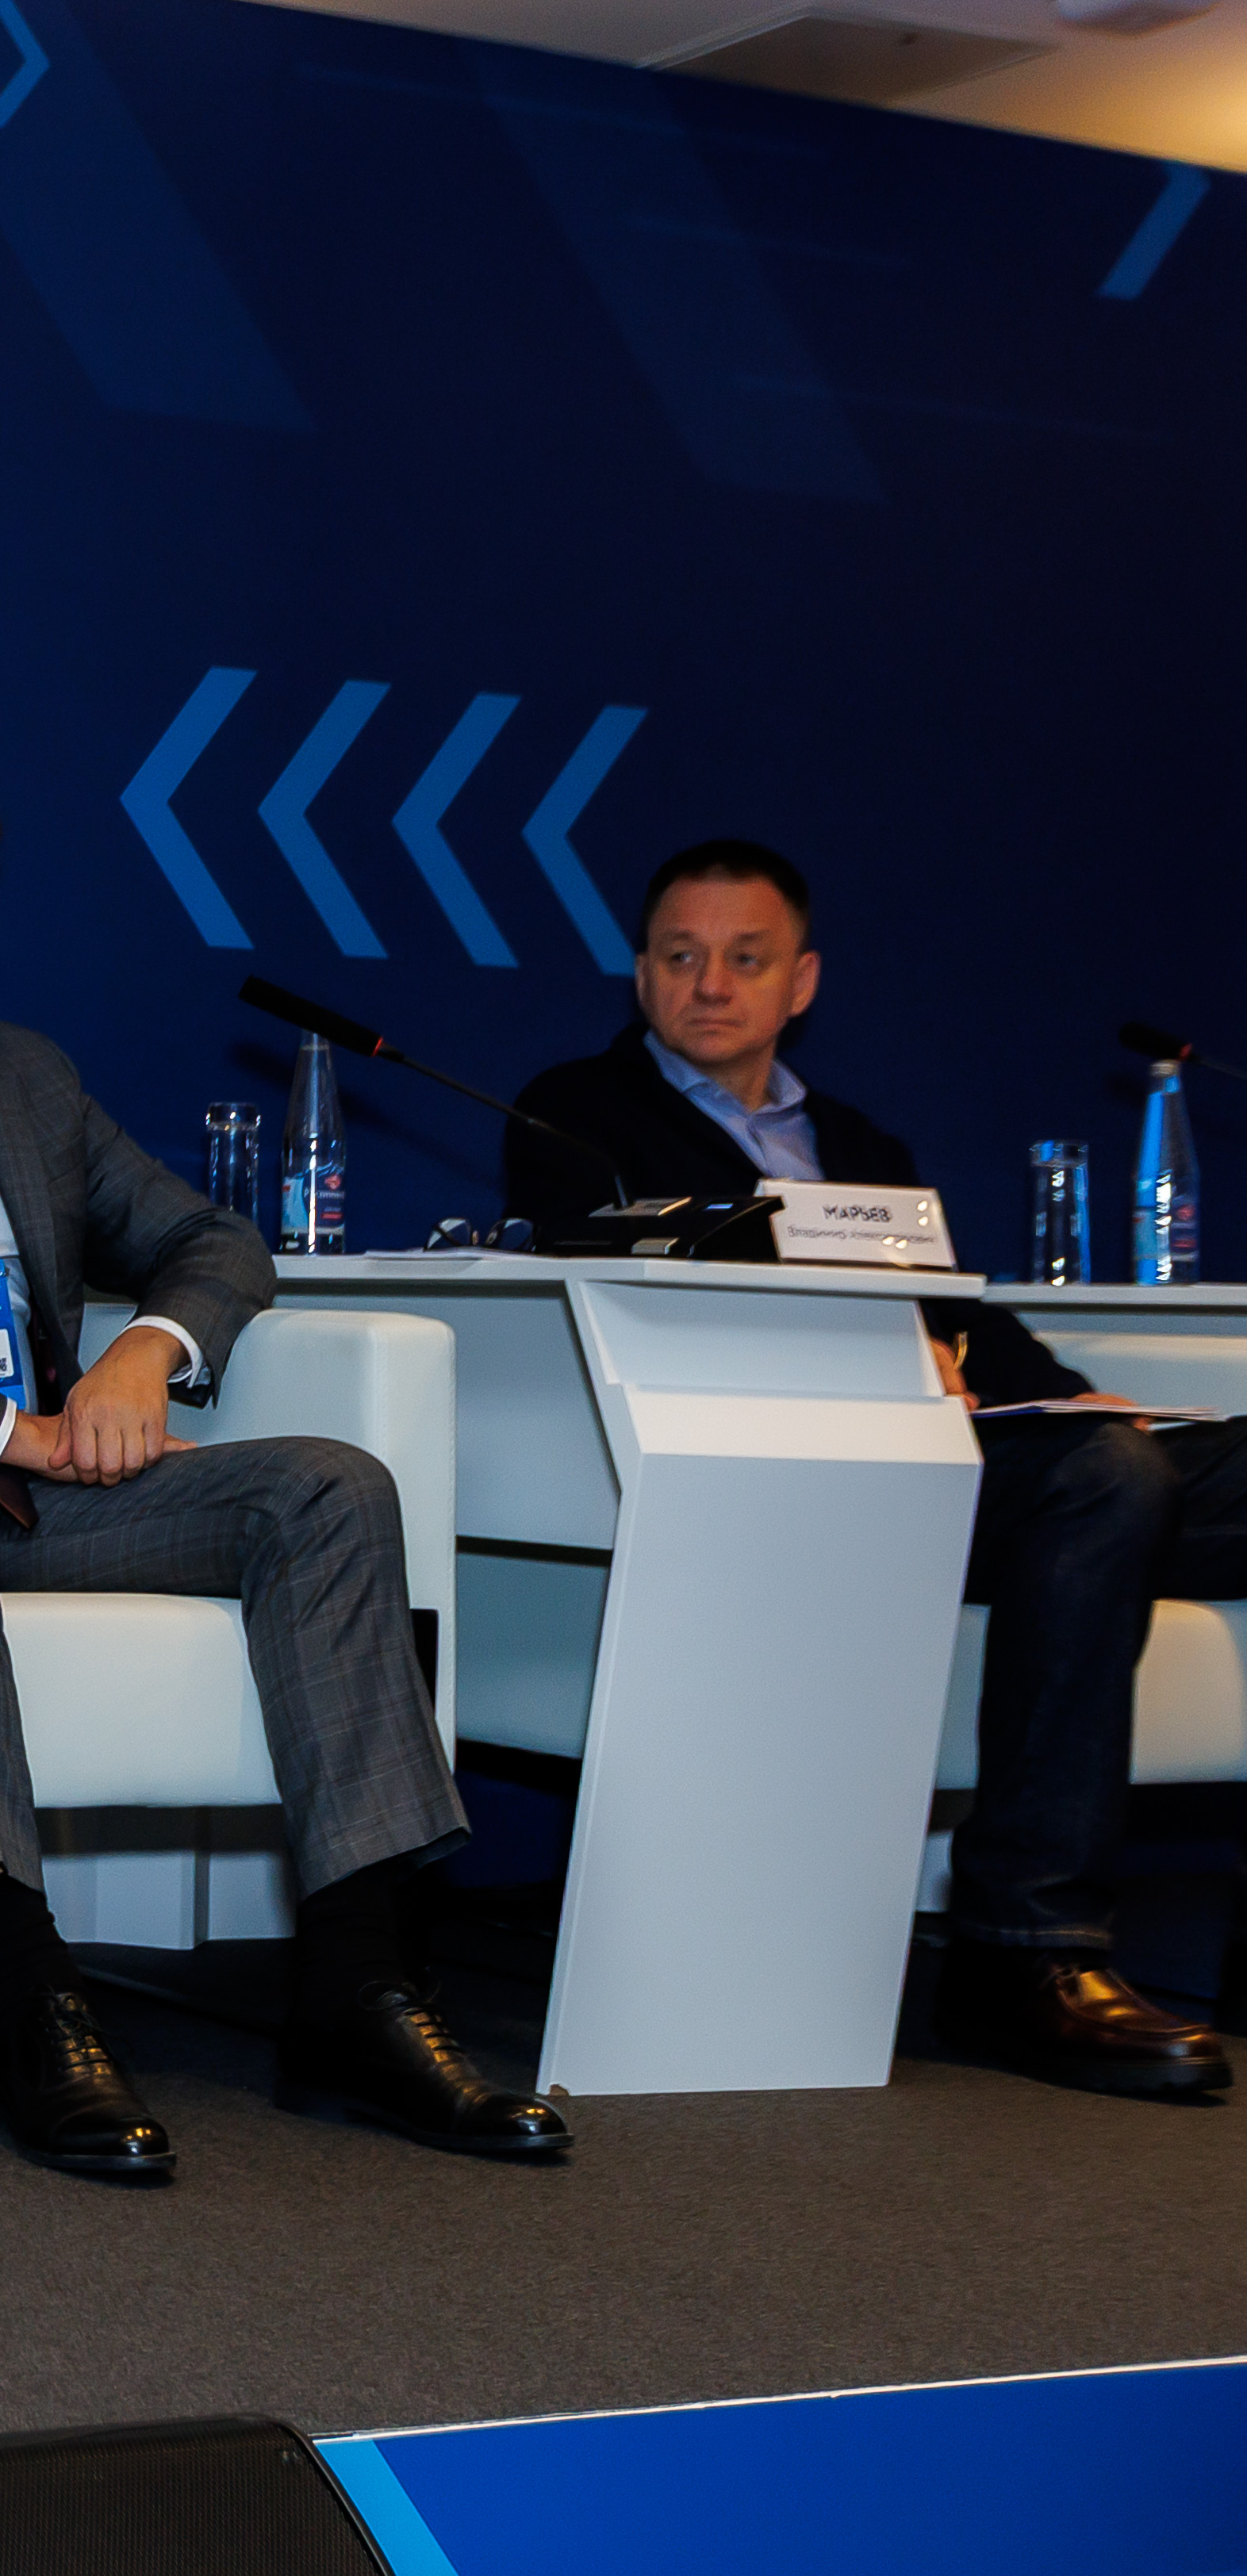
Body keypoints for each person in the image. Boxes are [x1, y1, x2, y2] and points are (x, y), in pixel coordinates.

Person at [0, 765, 566, 2176]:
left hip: (47, 1496)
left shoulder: (27, 1077)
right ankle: (33, 1999)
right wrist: (11, 1429)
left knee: (331, 1485)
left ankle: (361, 1990)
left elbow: (216, 1241)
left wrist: (143, 1350)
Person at [509, 838, 1232, 2098]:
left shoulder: (857, 1141)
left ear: (800, 981)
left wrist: (1065, 1394)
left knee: (1118, 1463)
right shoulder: (572, 1113)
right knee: (1104, 1483)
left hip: (952, 1458)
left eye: (745, 958)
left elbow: (961, 1320)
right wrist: (880, 1363)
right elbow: (627, 1289)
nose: (709, 983)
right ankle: (1022, 1951)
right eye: (680, 956)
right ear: (640, 973)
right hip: (776, 1475)